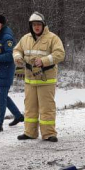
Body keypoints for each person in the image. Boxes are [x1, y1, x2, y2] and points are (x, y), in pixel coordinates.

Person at [12, 12, 65, 142]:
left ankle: (49, 134)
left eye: (38, 24)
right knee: (30, 108)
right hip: (30, 80)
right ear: (31, 26)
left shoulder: (53, 38)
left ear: (43, 25)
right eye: (34, 25)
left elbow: (60, 54)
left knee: (46, 108)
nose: (36, 27)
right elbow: (16, 50)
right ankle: (30, 133)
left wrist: (44, 61)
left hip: (46, 80)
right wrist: (17, 57)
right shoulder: (25, 39)